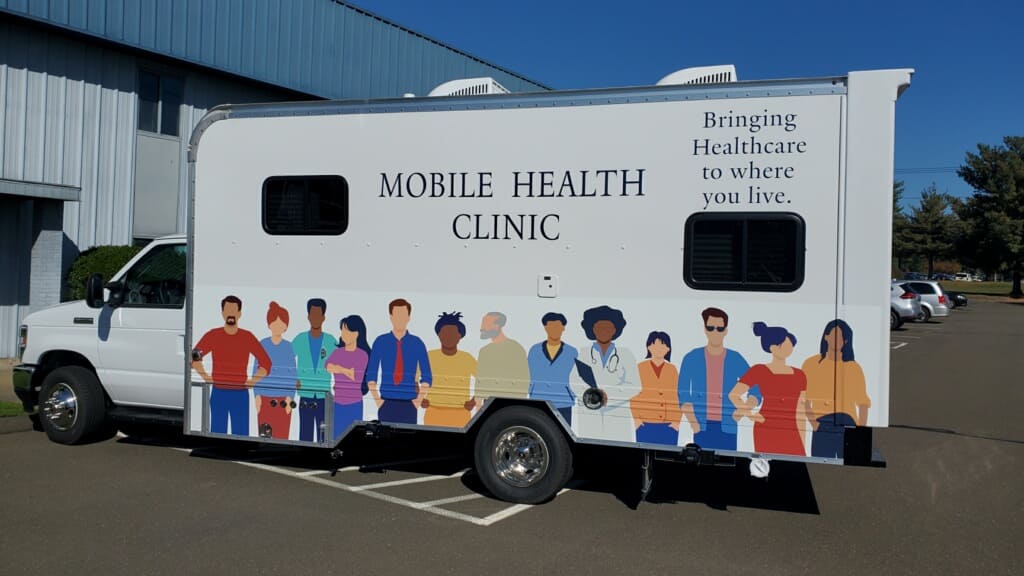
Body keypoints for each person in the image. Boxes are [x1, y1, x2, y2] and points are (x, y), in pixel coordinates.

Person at [677, 307, 757, 451]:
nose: (715, 332)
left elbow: (756, 387)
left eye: (720, 329)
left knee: (729, 461)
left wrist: (741, 411)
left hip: (728, 426)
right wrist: (694, 423)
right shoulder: (691, 358)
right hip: (702, 425)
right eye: (711, 328)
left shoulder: (735, 358)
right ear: (705, 329)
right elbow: (683, 394)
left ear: (726, 331)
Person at [192, 295, 272, 436]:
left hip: (240, 394)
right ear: (222, 313)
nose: (230, 314)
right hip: (219, 392)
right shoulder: (214, 335)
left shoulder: (247, 337)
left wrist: (253, 380)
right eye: (227, 310)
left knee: (241, 434)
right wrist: (206, 377)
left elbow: (266, 362)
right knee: (217, 432)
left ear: (239, 313)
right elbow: (194, 357)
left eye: (234, 310)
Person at [729, 322, 808, 456]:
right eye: (786, 344)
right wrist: (750, 415)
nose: (790, 347)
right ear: (773, 347)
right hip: (766, 426)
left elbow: (801, 411)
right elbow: (734, 395)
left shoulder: (800, 375)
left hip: (791, 428)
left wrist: (804, 444)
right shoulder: (759, 370)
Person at [801, 319, 871, 458]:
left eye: (842, 337)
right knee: (821, 463)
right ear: (826, 336)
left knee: (850, 462)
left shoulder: (853, 367)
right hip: (822, 422)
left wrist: (860, 429)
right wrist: (814, 423)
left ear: (846, 341)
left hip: (848, 422)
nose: (837, 340)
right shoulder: (811, 364)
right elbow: (804, 399)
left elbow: (863, 402)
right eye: (834, 335)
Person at [571, 305, 640, 442]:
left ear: (615, 330)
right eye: (599, 328)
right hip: (589, 413)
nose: (604, 331)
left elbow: (635, 385)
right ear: (592, 330)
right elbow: (573, 380)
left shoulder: (626, 355)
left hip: (617, 413)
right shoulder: (584, 353)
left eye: (608, 328)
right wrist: (591, 395)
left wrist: (608, 395)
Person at [367, 299, 432, 425]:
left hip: (409, 404)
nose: (400, 319)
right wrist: (378, 401)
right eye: (396, 315)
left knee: (407, 437)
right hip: (387, 402)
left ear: (409, 317)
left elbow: (427, 376)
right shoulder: (381, 341)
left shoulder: (417, 343)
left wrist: (417, 402)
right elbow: (371, 374)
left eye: (403, 315)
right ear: (391, 317)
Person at [293, 298, 337, 442]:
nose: (315, 318)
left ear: (324, 317)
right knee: (305, 435)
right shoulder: (300, 339)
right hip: (305, 394)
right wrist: (294, 379)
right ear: (308, 317)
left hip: (324, 396)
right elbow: (287, 359)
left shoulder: (330, 341)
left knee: (324, 436)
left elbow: (339, 362)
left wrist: (338, 385)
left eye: (319, 315)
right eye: (313, 314)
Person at [423, 312, 478, 428]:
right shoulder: (430, 357)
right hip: (434, 412)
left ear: (460, 336)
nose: (449, 337)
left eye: (453, 333)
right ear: (439, 335)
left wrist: (473, 401)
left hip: (460, 414)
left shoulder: (467, 358)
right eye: (445, 333)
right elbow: (413, 376)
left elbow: (483, 380)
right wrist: (420, 398)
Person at [252, 301, 298, 440]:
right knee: (264, 436)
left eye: (281, 323)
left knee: (282, 435)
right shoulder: (262, 344)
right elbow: (256, 372)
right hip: (264, 398)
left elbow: (293, 374)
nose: (277, 326)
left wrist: (290, 397)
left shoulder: (288, 347)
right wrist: (257, 396)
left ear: (286, 326)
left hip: (283, 400)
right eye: (274, 322)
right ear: (269, 324)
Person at [527, 312, 579, 426]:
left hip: (563, 401)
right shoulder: (535, 350)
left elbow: (576, 376)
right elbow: (529, 373)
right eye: (551, 326)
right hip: (539, 399)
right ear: (545, 328)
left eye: (557, 326)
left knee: (563, 431)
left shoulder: (571, 352)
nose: (554, 330)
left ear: (563, 328)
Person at [631, 331, 683, 445]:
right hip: (645, 423)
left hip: (668, 425)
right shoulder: (640, 368)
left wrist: (676, 421)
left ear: (668, 349)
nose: (659, 349)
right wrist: (637, 419)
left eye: (663, 345)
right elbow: (633, 396)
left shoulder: (672, 370)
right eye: (655, 345)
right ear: (648, 347)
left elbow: (678, 396)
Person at [325, 315, 371, 441]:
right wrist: (345, 370)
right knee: (336, 438)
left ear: (356, 333)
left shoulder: (362, 355)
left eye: (346, 330)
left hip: (354, 404)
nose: (343, 334)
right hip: (338, 403)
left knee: (353, 438)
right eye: (342, 330)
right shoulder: (338, 352)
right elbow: (328, 366)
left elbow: (355, 377)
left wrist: (338, 367)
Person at [476, 312, 530, 399]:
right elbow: (480, 380)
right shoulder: (484, 351)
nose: (482, 328)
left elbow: (524, 379)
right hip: (488, 400)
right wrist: (478, 399)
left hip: (509, 399)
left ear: (497, 326)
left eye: (486, 324)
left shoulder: (515, 348)